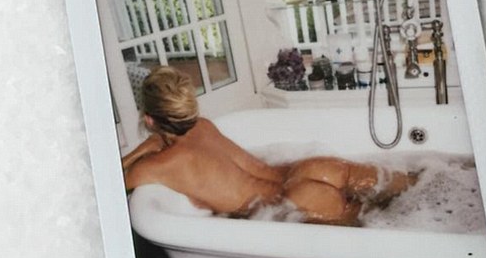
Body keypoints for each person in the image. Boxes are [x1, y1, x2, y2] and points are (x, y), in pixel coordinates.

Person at [122, 66, 419, 226]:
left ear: (149, 120)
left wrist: (144, 148)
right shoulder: (205, 126)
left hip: (294, 199)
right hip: (308, 169)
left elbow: (114, 182)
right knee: (415, 189)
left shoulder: (159, 166)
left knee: (388, 231)